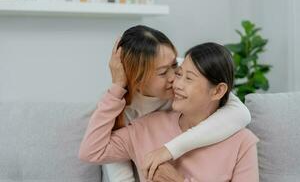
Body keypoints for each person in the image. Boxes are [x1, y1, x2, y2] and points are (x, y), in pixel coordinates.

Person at [81, 26, 251, 182]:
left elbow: (239, 112)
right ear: (138, 81)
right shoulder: (127, 115)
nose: (175, 79)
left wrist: (168, 150)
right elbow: (97, 154)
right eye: (163, 73)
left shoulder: (188, 71)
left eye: (175, 65)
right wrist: (117, 87)